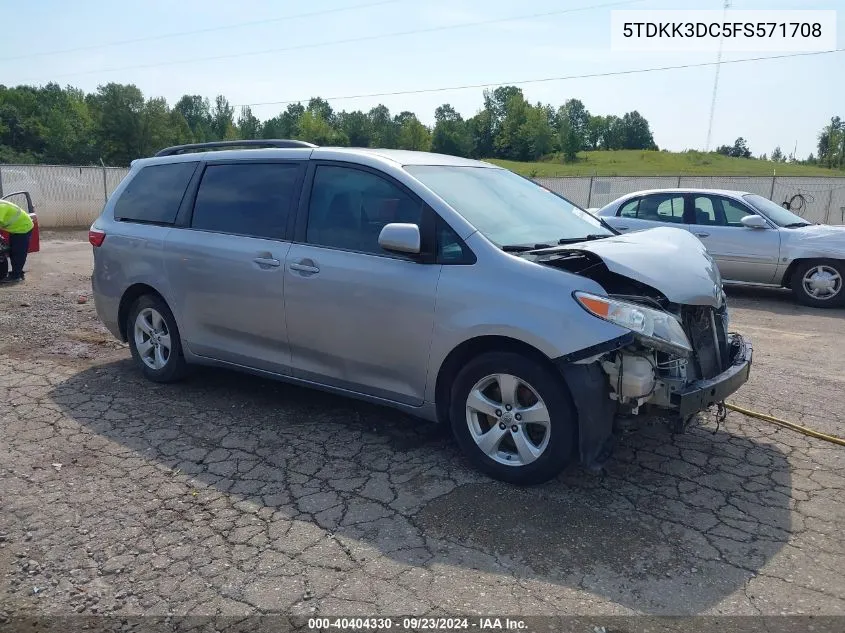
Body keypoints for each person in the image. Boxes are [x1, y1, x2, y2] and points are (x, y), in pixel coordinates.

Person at [0, 198, 34, 283]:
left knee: (18, 252)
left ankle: (16, 276)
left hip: (23, 228)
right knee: (13, 252)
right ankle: (17, 272)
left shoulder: (1, 207)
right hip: (16, 228)